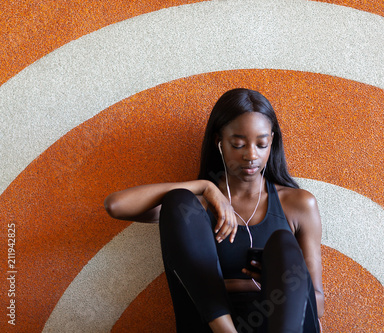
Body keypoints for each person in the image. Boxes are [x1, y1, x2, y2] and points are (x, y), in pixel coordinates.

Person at [104, 88, 324, 332]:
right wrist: (205, 187)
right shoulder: (193, 211)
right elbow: (116, 205)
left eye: (261, 144)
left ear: (272, 141)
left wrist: (275, 288)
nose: (251, 155)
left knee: (282, 244)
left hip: (278, 323)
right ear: (219, 142)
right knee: (178, 200)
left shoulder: (298, 204)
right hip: (210, 325)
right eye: (238, 144)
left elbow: (318, 303)